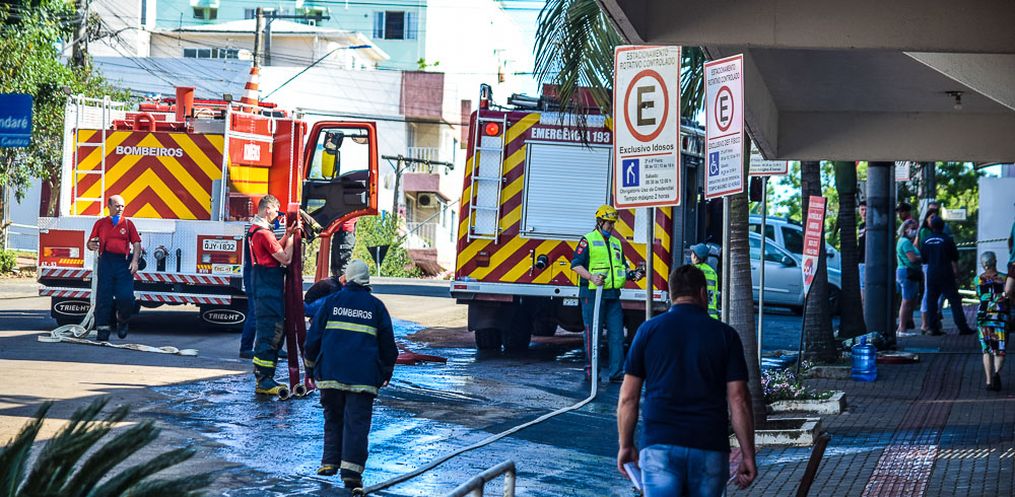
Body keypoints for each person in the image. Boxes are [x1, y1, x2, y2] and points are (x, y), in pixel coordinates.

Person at [617, 265, 756, 496]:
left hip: (660, 446)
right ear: (702, 293)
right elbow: (739, 399)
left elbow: (628, 398)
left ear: (672, 294)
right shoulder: (725, 335)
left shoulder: (647, 331)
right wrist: (748, 454)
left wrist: (626, 445)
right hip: (709, 445)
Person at [304, 260, 398, 490]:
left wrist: (310, 369)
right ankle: (351, 473)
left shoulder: (331, 302)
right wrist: (386, 372)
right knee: (356, 424)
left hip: (330, 374)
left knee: (333, 418)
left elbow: (313, 339)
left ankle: (329, 462)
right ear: (367, 281)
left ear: (346, 279)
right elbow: (388, 346)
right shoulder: (376, 307)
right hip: (362, 379)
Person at [571, 204, 644, 383]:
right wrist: (591, 277)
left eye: (613, 223)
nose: (611, 226)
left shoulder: (616, 243)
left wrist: (633, 274)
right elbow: (576, 265)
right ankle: (591, 372)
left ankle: (616, 373)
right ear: (599, 222)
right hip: (592, 294)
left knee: (617, 335)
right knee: (593, 334)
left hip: (612, 295)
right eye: (609, 223)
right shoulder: (587, 240)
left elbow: (622, 267)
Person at [248, 194, 296, 395]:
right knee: (271, 332)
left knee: (271, 331)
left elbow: (273, 248)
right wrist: (292, 238)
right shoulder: (264, 234)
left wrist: (287, 234)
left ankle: (265, 377)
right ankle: (264, 380)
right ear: (267, 209)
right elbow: (285, 258)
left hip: (264, 286)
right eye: (276, 210)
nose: (278, 214)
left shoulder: (256, 230)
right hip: (268, 289)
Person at [86, 195, 141, 341]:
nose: (120, 209)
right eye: (117, 206)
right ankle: (103, 329)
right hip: (106, 261)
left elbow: (136, 243)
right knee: (104, 297)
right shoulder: (101, 223)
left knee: (126, 297)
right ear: (109, 206)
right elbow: (90, 243)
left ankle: (122, 320)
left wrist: (135, 261)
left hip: (123, 263)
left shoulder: (128, 224)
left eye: (122, 206)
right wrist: (91, 245)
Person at [921, 215, 975, 335]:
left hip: (932, 273)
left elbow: (924, 259)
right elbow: (955, 257)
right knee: (954, 300)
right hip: (946, 272)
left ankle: (933, 328)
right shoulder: (947, 240)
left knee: (931, 301)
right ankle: (962, 327)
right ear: (943, 226)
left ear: (931, 226)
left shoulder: (925, 240)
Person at [975, 251, 1007, 391]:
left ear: (983, 264)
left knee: (986, 349)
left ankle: (988, 381)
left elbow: (979, 295)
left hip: (983, 315)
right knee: (999, 348)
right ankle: (997, 373)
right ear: (995, 261)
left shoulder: (977, 279)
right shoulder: (1004, 278)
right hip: (999, 316)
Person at [895, 220, 922, 336]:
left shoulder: (903, 241)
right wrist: (923, 257)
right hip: (907, 272)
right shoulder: (905, 242)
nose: (914, 231)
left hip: (904, 271)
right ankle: (902, 328)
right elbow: (912, 259)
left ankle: (902, 327)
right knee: (906, 300)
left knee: (909, 300)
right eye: (913, 228)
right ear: (905, 229)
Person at [689, 243, 719, 319]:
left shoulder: (690, 271)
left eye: (692, 253)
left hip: (696, 315)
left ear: (694, 256)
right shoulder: (712, 272)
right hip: (712, 316)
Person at [858, 200, 867, 304]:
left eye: (866, 210)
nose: (864, 212)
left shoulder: (871, 226)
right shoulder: (861, 226)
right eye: (862, 210)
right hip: (861, 261)